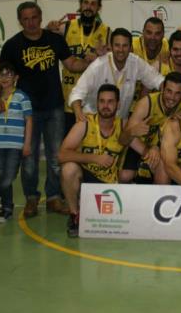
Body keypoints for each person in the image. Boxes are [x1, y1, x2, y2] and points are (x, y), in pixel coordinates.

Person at [0, 1, 91, 218]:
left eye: (34, 17)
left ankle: (54, 197)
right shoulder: (12, 45)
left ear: (40, 16)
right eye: (25, 19)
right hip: (26, 111)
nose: (30, 22)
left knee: (57, 156)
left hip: (55, 106)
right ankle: (31, 198)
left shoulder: (54, 39)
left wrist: (92, 59)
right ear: (20, 21)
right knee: (29, 158)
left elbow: (72, 64)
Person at [58, 84, 138, 237]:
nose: (105, 106)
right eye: (102, 101)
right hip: (87, 178)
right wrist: (94, 158)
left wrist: (152, 150)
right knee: (68, 169)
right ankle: (75, 215)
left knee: (128, 174)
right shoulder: (84, 123)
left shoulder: (124, 126)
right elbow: (61, 155)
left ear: (118, 104)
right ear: (96, 103)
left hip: (111, 183)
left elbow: (144, 151)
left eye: (110, 101)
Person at [46, 0, 110, 135]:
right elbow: (42, 41)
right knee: (66, 144)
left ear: (99, 8)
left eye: (93, 4)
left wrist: (101, 59)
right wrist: (48, 28)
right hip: (68, 99)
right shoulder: (66, 27)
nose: (89, 7)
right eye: (86, 3)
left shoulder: (107, 31)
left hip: (93, 102)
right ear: (80, 5)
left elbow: (112, 63)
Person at [68, 28, 164, 120]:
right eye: (117, 45)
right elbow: (77, 93)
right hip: (94, 120)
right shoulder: (98, 66)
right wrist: (79, 115)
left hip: (120, 124)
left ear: (131, 47)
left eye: (125, 45)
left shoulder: (135, 63)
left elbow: (157, 80)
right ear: (111, 46)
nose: (121, 50)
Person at [0, 61, 32, 223]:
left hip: (15, 146)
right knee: (2, 176)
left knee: (9, 176)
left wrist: (27, 144)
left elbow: (29, 121)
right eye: (1, 75)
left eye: (9, 74)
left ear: (16, 78)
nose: (4, 78)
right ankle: (6, 209)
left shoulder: (22, 97)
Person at [123, 71, 181, 184]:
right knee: (125, 176)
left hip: (166, 146)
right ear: (162, 88)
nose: (172, 97)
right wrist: (148, 151)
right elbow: (127, 138)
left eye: (177, 93)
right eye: (169, 91)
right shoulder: (146, 104)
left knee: (164, 168)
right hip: (142, 145)